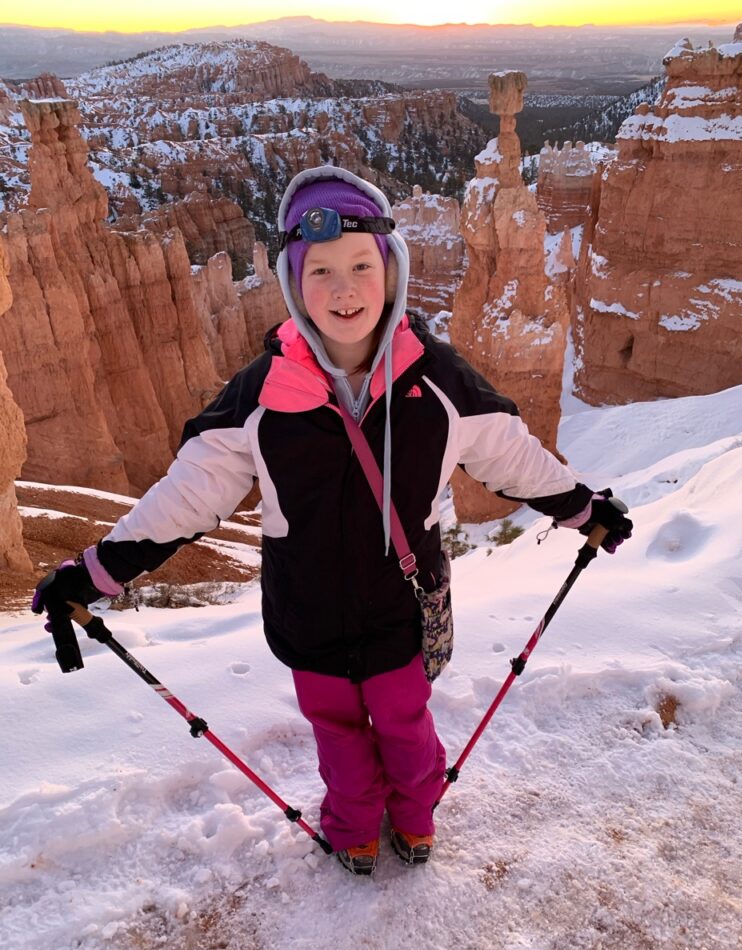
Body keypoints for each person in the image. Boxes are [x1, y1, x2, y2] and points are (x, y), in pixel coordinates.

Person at [33, 166, 632, 876]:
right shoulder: (260, 397)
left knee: (407, 726)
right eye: (320, 271)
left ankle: (414, 819)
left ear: (392, 271)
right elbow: (185, 498)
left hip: (402, 616)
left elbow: (514, 457)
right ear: (292, 281)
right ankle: (352, 826)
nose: (343, 289)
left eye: (360, 266)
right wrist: (98, 571)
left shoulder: (436, 382)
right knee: (337, 733)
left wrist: (583, 509)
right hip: (308, 618)